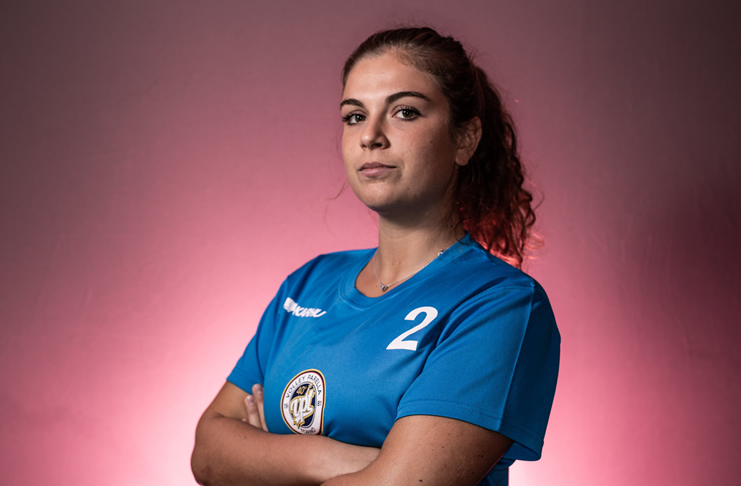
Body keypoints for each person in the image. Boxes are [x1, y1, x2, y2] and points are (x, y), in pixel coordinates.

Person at [191, 26, 560, 486]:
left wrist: (262, 459)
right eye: (354, 116)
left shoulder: (498, 303)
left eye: (405, 112)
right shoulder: (307, 283)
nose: (370, 136)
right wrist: (340, 460)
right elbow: (208, 453)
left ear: (465, 139)